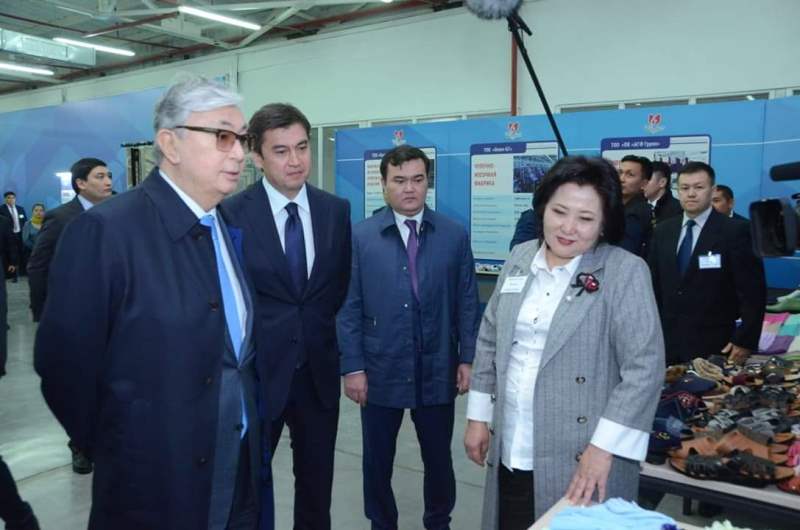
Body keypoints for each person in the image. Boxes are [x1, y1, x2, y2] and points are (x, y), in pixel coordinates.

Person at [34, 74, 263, 530]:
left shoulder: (222, 224)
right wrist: (124, 450)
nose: (239, 153)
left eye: (243, 138)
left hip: (236, 463)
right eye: (222, 136)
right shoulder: (106, 232)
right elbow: (64, 369)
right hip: (152, 484)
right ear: (170, 144)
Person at [464, 156, 664, 529]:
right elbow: (490, 337)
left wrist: (603, 449)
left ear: (604, 224)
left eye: (585, 218)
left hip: (586, 455)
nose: (568, 228)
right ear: (542, 208)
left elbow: (645, 369)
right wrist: (478, 417)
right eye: (559, 212)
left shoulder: (624, 272)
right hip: (512, 441)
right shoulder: (520, 258)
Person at [222, 103, 351, 530]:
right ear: (256, 157)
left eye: (301, 147)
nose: (295, 160)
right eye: (280, 151)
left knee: (317, 486)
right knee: (249, 488)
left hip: (318, 373)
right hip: (258, 375)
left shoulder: (335, 211)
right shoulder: (231, 214)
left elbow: (336, 289)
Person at [337, 145, 480, 530]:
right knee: (377, 459)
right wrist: (353, 367)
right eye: (399, 180)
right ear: (383, 184)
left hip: (437, 366)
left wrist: (467, 358)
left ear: (428, 182)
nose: (409, 188)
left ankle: (439, 521)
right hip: (380, 366)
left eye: (417, 180)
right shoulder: (360, 237)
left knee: (439, 458)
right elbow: (348, 305)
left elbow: (468, 301)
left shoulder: (453, 235)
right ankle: (382, 523)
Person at [648, 162, 765, 366]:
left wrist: (745, 339)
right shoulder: (663, 231)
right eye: (685, 188)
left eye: (699, 187)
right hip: (667, 342)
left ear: (712, 190)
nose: (691, 194)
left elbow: (753, 292)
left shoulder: (735, 231)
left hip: (716, 343)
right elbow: (654, 286)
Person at [27, 158, 112, 323]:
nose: (108, 182)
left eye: (109, 176)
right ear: (81, 183)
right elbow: (38, 266)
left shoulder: (114, 212)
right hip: (74, 307)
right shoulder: (60, 218)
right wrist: (42, 312)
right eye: (100, 177)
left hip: (111, 306)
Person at [617, 155, 653, 257]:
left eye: (630, 175)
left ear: (644, 184)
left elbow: (624, 254)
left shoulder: (637, 213)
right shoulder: (616, 206)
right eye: (620, 173)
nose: (621, 179)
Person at [0, 192, 26, 281]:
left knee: (20, 253)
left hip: (19, 234)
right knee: (11, 254)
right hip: (8, 236)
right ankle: (13, 274)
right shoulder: (1, 209)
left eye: (13, 198)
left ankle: (21, 272)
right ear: (5, 199)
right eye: (8, 198)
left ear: (15, 199)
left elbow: (24, 220)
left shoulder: (20, 209)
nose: (11, 199)